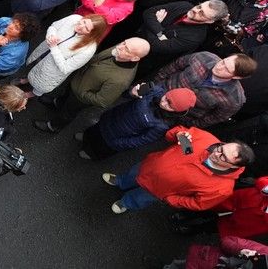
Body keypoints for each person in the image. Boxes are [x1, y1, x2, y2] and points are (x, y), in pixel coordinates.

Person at [105, 126, 253, 214]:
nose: (216, 153)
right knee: (131, 175)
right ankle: (120, 181)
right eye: (221, 148)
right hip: (149, 166)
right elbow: (175, 133)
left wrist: (171, 199)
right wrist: (178, 134)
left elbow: (198, 204)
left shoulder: (222, 188)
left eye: (223, 157)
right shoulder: (206, 138)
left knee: (139, 198)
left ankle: (126, 203)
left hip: (158, 190)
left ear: (234, 166)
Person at [34, 37, 152, 134]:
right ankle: (57, 103)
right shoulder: (120, 52)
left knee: (68, 113)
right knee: (65, 97)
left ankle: (53, 127)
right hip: (78, 81)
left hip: (80, 97)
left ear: (135, 57)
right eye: (124, 42)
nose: (120, 46)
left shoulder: (121, 80)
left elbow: (102, 101)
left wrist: (81, 93)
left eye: (127, 48)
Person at [144, 51, 257, 129]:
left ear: (236, 77)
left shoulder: (234, 99)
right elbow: (174, 66)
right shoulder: (204, 57)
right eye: (223, 62)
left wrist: (183, 124)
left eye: (226, 69)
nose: (219, 67)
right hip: (158, 91)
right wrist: (156, 84)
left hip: (171, 118)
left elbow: (212, 119)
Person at [25, 14, 108, 97]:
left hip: (52, 70)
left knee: (39, 85)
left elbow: (66, 68)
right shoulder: (74, 18)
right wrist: (52, 35)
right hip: (43, 52)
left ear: (92, 34)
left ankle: (30, 95)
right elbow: (54, 27)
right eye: (84, 21)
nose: (81, 26)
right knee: (32, 67)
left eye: (86, 28)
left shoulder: (88, 50)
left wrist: (54, 48)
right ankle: (26, 80)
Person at [0, 13, 40, 81]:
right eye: (13, 22)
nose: (10, 26)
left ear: (23, 35)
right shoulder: (7, 21)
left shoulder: (17, 52)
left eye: (16, 28)